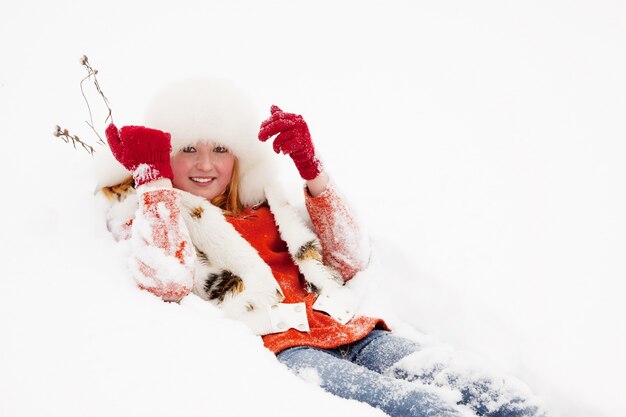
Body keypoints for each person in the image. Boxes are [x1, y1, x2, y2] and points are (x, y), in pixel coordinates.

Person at [98, 78, 548, 417]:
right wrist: (152, 182)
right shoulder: (159, 218)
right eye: (187, 148)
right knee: (421, 407)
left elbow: (349, 258)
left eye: (220, 147)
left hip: (354, 330)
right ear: (163, 154)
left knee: (487, 389)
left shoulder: (269, 203)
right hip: (288, 351)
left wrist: (312, 172)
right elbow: (168, 282)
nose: (205, 163)